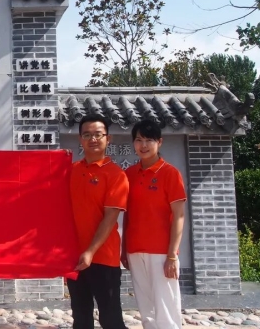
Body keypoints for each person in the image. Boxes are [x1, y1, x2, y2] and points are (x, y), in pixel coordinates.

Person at [121, 119, 186, 329]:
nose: (143, 145)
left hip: (161, 252)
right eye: (139, 140)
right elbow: (128, 215)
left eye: (149, 140)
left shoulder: (170, 173)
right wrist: (124, 250)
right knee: (145, 307)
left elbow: (179, 216)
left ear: (159, 142)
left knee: (166, 306)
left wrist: (172, 255)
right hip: (134, 249)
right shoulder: (129, 174)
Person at [67, 114, 129, 329]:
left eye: (98, 134)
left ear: (107, 139)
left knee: (111, 319)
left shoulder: (116, 175)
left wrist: (90, 251)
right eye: (87, 135)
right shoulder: (71, 171)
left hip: (104, 257)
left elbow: (111, 217)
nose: (92, 139)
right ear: (80, 139)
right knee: (81, 317)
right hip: (75, 257)